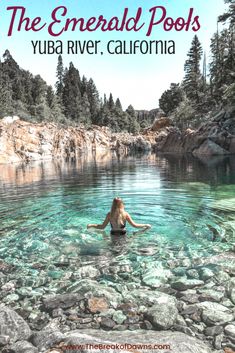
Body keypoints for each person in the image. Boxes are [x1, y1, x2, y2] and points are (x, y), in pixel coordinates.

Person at [87, 197, 151, 235]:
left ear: (113, 205)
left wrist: (91, 225)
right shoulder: (125, 214)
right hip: (123, 234)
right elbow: (134, 225)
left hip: (113, 234)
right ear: (122, 204)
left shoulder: (110, 214)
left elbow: (102, 227)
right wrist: (145, 225)